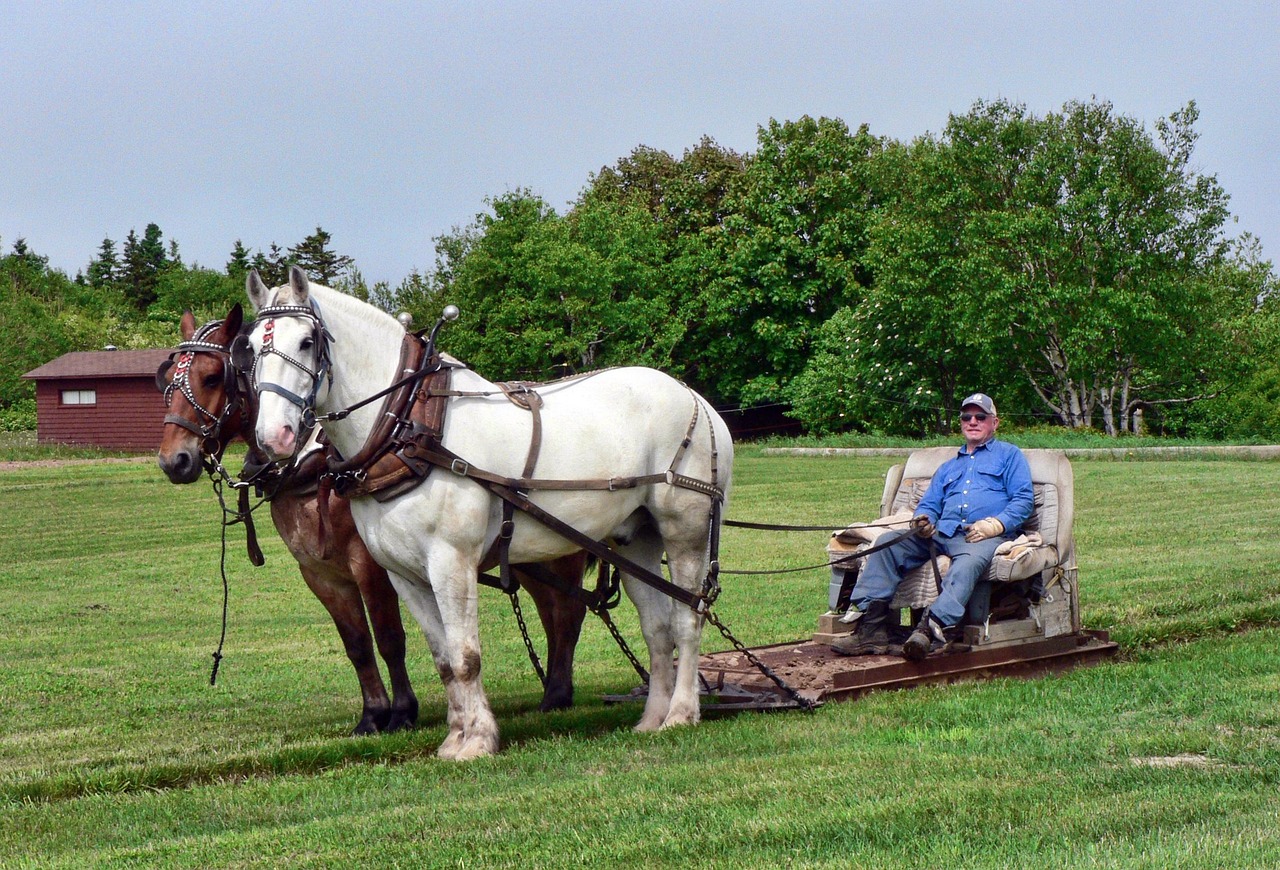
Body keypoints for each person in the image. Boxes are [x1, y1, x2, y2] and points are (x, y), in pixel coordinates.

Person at [831, 393, 1034, 661]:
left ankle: (929, 630)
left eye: (980, 417)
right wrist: (923, 520)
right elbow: (929, 503)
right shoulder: (949, 467)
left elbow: (1023, 500)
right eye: (966, 417)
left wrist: (996, 524)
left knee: (967, 564)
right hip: (941, 534)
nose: (972, 421)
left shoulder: (1010, 456)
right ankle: (871, 629)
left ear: (994, 423)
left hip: (978, 537)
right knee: (886, 544)